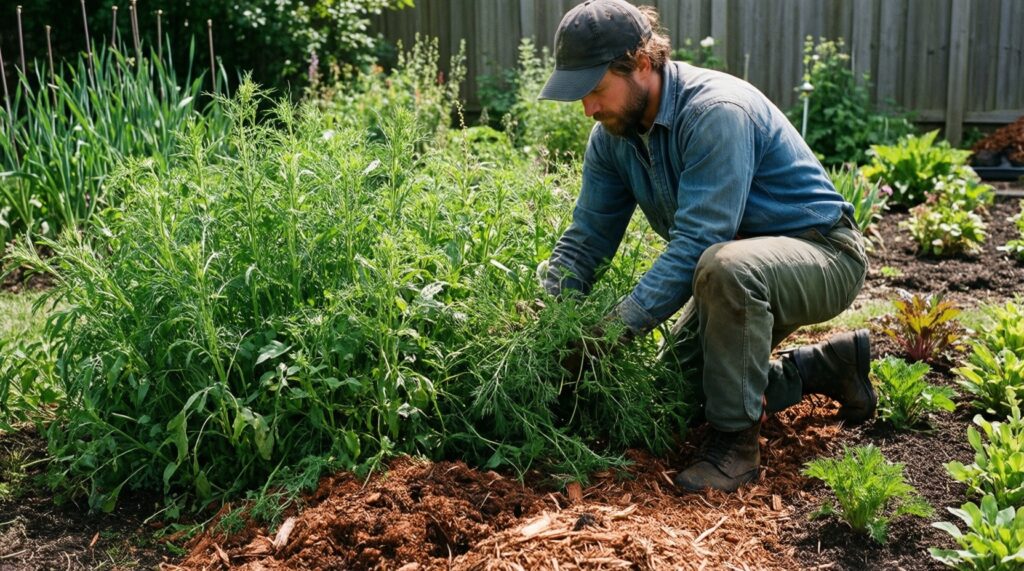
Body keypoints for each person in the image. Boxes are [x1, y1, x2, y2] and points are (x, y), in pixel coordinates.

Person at [537, 0, 874, 493]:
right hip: (737, 271)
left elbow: (700, 241)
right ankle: (824, 367)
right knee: (670, 396)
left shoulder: (714, 112)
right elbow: (586, 239)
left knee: (723, 266)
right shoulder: (612, 137)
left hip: (823, 253)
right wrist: (550, 317)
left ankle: (735, 447)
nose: (588, 108)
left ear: (642, 63)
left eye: (594, 89)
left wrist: (610, 333)